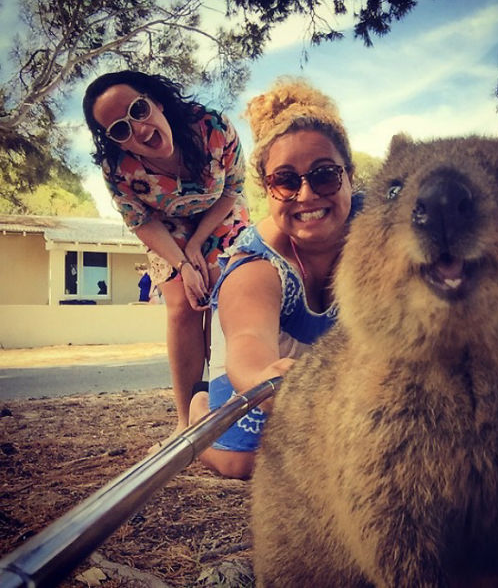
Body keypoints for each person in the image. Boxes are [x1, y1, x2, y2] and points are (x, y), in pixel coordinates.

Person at [189, 78, 363, 479]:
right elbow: (249, 341)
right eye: (285, 181)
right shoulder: (255, 265)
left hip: (336, 360)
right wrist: (262, 379)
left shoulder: (380, 227)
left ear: (350, 176)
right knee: (243, 463)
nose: (306, 195)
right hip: (270, 359)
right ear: (267, 190)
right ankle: (199, 411)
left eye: (324, 175)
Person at [83, 71, 249, 449]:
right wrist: (183, 263)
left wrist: (200, 246)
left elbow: (234, 189)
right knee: (182, 303)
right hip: (165, 227)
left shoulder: (212, 126)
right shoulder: (117, 169)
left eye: (138, 110)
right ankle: (185, 422)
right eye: (120, 129)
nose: (139, 130)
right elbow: (140, 221)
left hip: (218, 214)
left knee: (224, 292)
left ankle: (229, 411)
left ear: (156, 101)